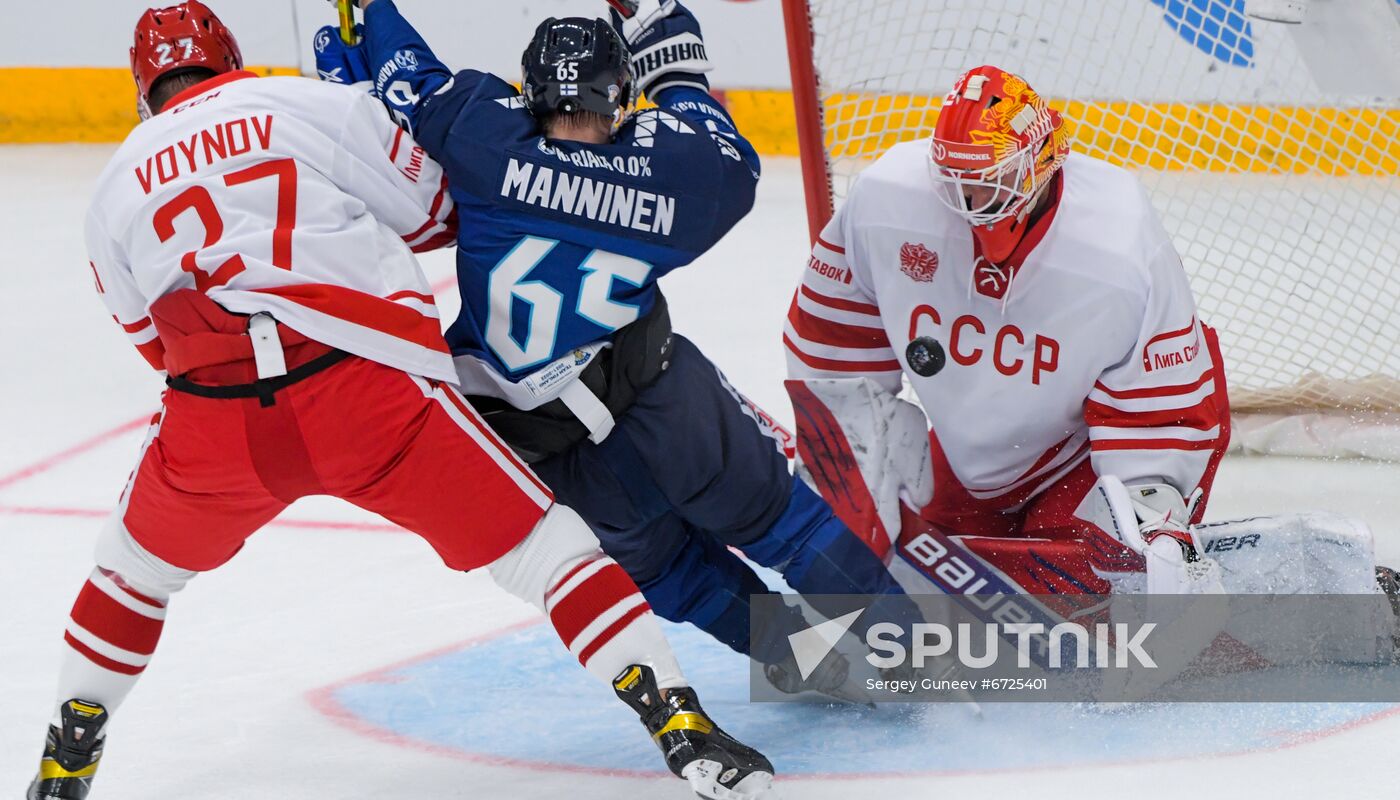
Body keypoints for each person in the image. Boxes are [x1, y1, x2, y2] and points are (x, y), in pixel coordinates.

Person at [26, 4, 772, 799]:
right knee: (553, 553)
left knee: (128, 576)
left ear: (144, 92)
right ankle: (684, 718)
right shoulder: (301, 103)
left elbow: (153, 343)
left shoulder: (114, 185)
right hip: (372, 393)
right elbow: (443, 213)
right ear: (232, 60)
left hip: (219, 421)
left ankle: (66, 753)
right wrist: (366, 110)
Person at [314, 0, 920, 698]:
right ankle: (921, 663)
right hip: (672, 409)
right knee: (787, 524)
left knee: (677, 576)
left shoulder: (478, 132)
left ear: (528, 89)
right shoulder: (674, 168)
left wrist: (370, 33)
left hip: (556, 452)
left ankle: (815, 670)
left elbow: (412, 80)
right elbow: (717, 143)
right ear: (620, 94)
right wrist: (670, 49)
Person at [783, 64, 1398, 604]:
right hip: (976, 454)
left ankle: (1298, 590)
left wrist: (1153, 522)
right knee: (869, 554)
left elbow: (1165, 399)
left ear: (1039, 166)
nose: (970, 202)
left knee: (1116, 578)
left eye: (989, 182)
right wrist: (851, 461)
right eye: (957, 183)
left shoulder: (1114, 238)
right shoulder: (887, 201)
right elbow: (833, 350)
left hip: (1084, 455)